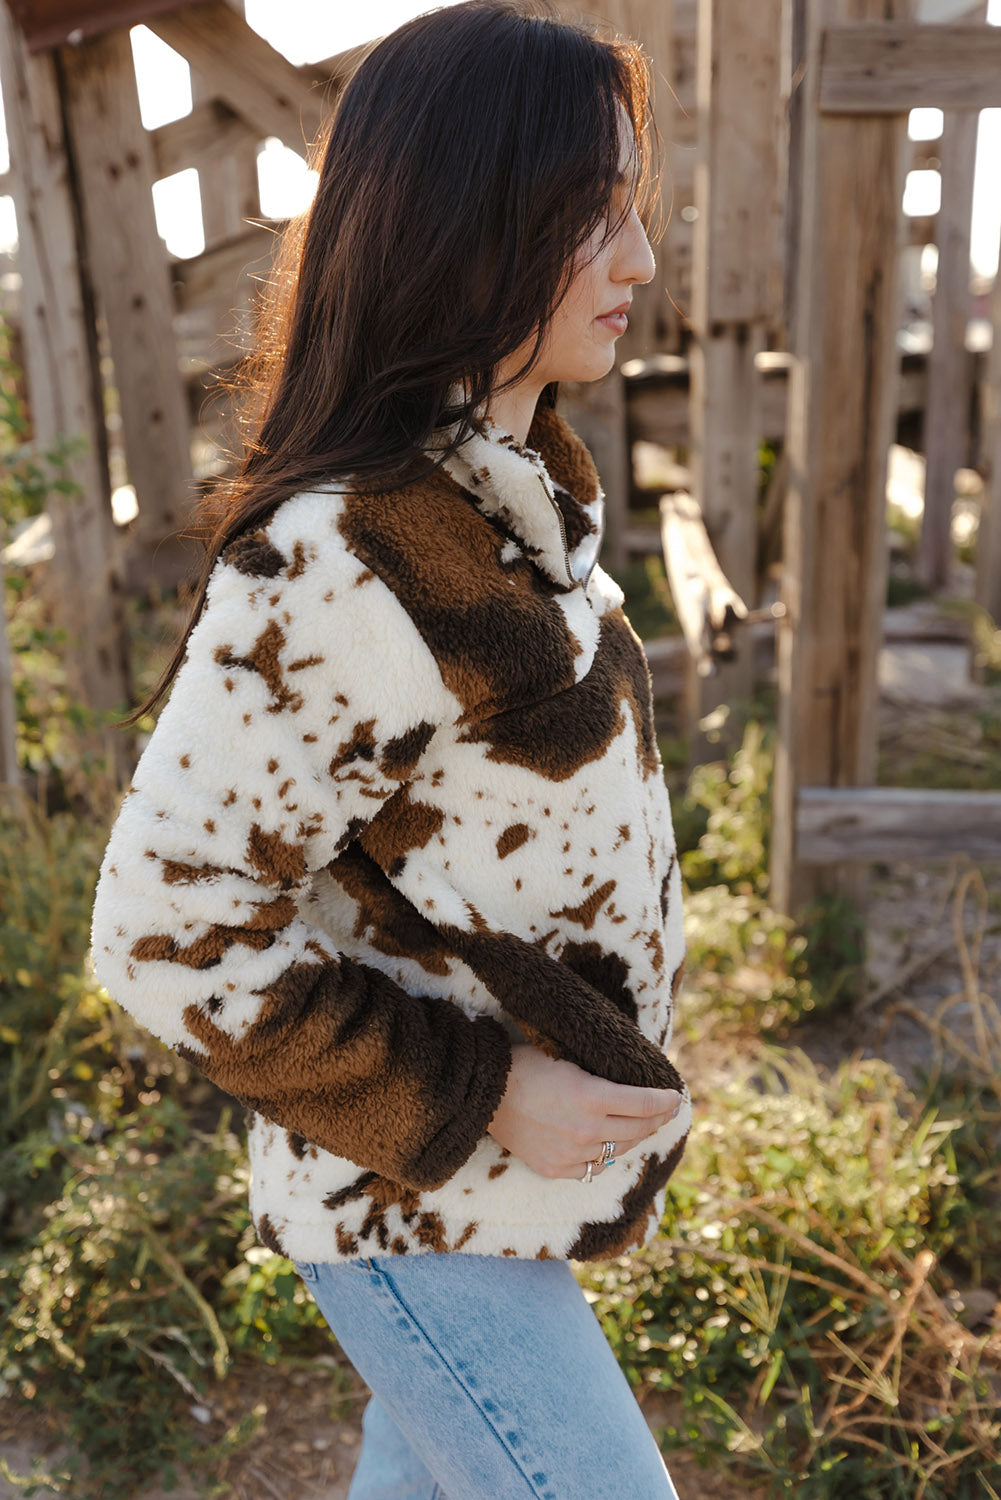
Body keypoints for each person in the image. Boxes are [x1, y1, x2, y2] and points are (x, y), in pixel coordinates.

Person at [91, 2, 691, 1494]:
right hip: (410, 1208)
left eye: (638, 211)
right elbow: (160, 936)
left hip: (468, 1210)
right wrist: (484, 1093)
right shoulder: (347, 560)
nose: (641, 262)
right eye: (592, 218)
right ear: (469, 227)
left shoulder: (505, 506)